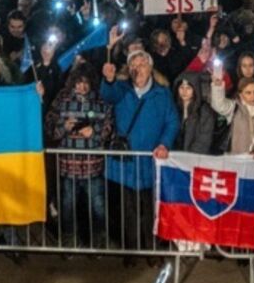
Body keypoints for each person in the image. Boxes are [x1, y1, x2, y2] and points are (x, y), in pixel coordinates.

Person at [100, 50, 179, 253]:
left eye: (142, 64)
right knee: (128, 210)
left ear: (150, 68)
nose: (138, 69)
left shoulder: (162, 94)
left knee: (151, 208)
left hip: (151, 162)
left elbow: (172, 122)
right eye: (133, 65)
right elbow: (108, 94)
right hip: (126, 164)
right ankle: (132, 251)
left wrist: (164, 144)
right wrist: (109, 79)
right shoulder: (122, 89)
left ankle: (152, 249)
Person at [45, 62, 113, 249]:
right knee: (67, 207)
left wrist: (96, 131)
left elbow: (109, 125)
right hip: (68, 165)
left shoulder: (100, 100)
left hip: (94, 164)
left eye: (86, 82)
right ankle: (69, 241)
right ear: (73, 82)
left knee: (98, 207)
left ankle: (99, 241)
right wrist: (63, 127)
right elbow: (49, 125)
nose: (82, 86)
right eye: (78, 82)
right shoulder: (62, 99)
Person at [209, 62, 254, 157]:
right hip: (234, 160)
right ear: (241, 94)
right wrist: (217, 86)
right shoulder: (234, 107)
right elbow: (218, 105)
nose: (253, 96)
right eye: (248, 93)